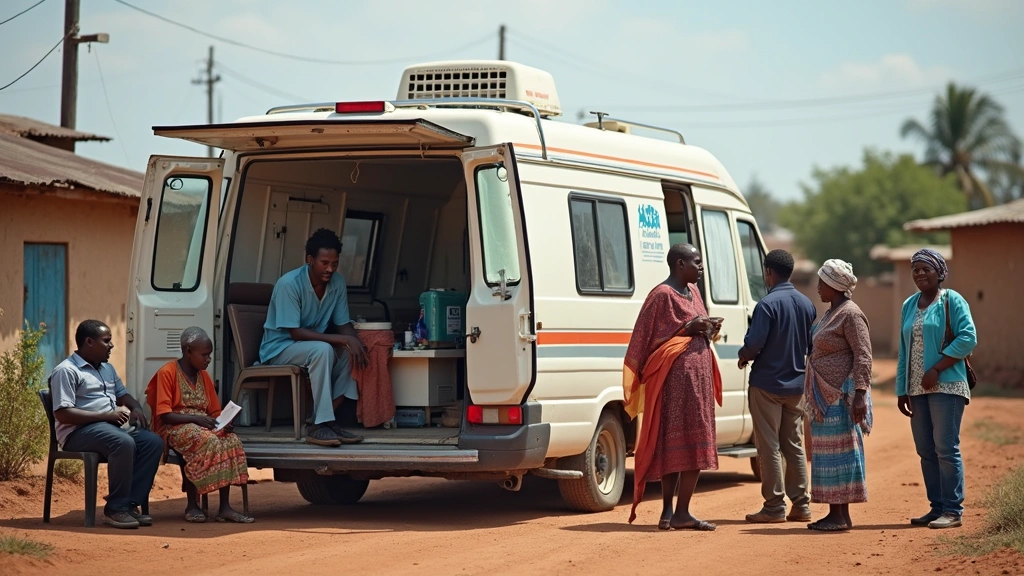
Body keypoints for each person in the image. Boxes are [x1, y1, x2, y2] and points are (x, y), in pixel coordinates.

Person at [623, 243, 723, 530]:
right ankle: (670, 511)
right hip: (672, 383)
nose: (701, 267)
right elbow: (644, 338)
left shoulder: (694, 292)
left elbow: (694, 326)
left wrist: (707, 327)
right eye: (696, 262)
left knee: (695, 445)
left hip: (698, 383)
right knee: (673, 445)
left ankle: (680, 512)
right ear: (680, 264)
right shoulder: (661, 296)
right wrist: (686, 329)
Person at [260, 228, 369, 447]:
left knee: (353, 353)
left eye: (335, 263)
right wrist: (343, 340)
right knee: (323, 349)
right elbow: (295, 333)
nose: (330, 269)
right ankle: (320, 425)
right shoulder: (289, 284)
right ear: (310, 260)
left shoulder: (337, 283)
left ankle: (323, 421)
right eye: (324, 262)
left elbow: (342, 324)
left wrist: (356, 341)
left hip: (312, 347)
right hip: (279, 349)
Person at [49, 320, 162, 529]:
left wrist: (135, 407)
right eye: (107, 341)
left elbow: (123, 395)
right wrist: (107, 415)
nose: (111, 346)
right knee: (123, 442)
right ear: (89, 342)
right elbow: (63, 414)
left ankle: (128, 504)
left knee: (152, 442)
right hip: (78, 433)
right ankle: (115, 510)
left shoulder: (107, 369)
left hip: (108, 429)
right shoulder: (66, 370)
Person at [896, 249, 977, 529]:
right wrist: (901, 389)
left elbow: (968, 338)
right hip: (916, 391)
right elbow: (904, 350)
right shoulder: (908, 305)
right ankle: (937, 507)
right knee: (926, 450)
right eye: (915, 269)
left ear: (939, 272)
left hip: (948, 385)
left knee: (946, 448)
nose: (919, 273)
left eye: (925, 269)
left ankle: (953, 511)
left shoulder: (951, 300)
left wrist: (936, 369)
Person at [737, 249, 816, 524]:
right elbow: (810, 345)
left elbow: (754, 344)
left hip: (767, 385)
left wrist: (743, 355)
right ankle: (801, 505)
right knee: (794, 444)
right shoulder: (807, 304)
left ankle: (773, 506)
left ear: (768, 272)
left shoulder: (767, 305)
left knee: (769, 445)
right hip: (796, 386)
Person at [146, 327, 254, 523]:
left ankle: (224, 507)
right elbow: (165, 415)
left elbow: (213, 412)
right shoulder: (168, 372)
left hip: (202, 425)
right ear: (188, 351)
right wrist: (195, 419)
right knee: (204, 439)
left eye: (210, 355)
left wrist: (224, 423)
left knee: (231, 440)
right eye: (204, 354)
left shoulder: (204, 376)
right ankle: (192, 505)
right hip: (174, 427)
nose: (208, 359)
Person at [804, 259, 873, 532]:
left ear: (834, 286)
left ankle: (840, 516)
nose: (818, 287)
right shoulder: (830, 313)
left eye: (822, 283)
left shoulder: (851, 314)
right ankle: (837, 514)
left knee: (842, 454)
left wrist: (859, 395)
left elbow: (863, 356)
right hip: (824, 395)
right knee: (828, 455)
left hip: (841, 397)